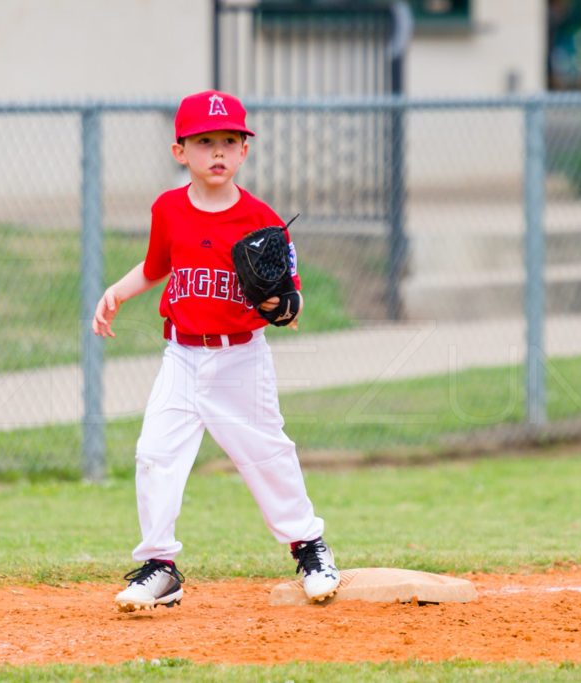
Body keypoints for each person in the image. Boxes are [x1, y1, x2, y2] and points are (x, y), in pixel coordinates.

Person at [92, 90, 340, 611]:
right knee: (154, 455)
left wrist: (284, 305)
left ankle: (310, 547)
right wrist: (117, 291)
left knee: (267, 454)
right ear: (180, 150)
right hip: (181, 356)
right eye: (205, 141)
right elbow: (157, 265)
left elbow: (291, 301)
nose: (219, 151)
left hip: (240, 358)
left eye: (230, 140)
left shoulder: (260, 219)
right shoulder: (168, 209)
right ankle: (160, 567)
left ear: (245, 151)